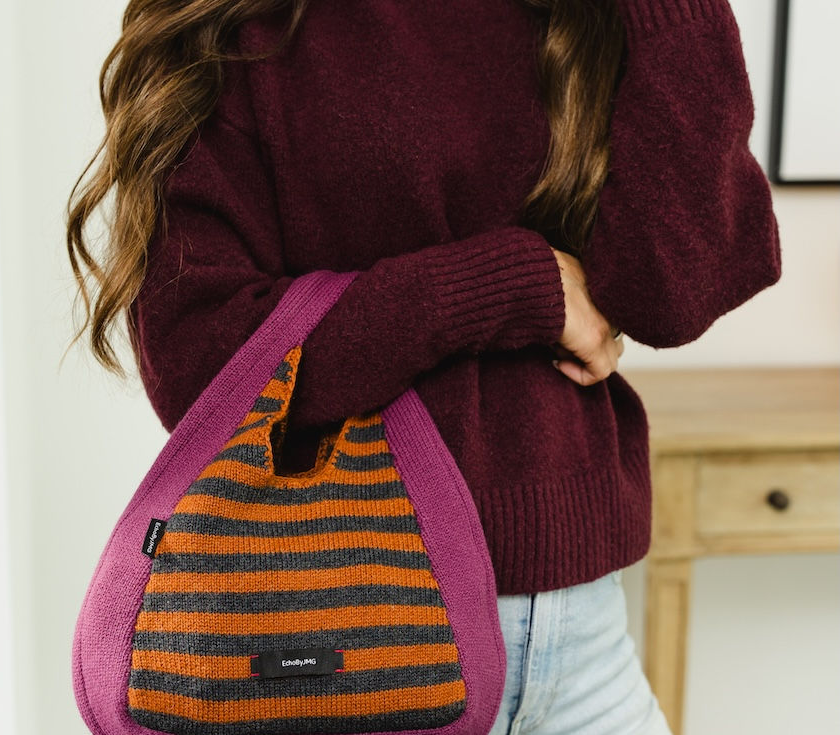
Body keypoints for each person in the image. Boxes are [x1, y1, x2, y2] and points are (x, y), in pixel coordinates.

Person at [65, 0, 782, 733]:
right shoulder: (242, 26)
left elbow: (668, 297)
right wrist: (509, 287)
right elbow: (199, 366)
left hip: (586, 637)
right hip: (355, 636)